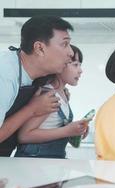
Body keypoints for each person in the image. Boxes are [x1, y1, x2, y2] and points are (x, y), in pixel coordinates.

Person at [0, 16, 74, 156]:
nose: (70, 52)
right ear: (39, 48)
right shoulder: (5, 74)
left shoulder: (38, 77)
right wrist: (32, 109)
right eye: (64, 44)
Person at [14, 45, 88, 159]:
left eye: (80, 65)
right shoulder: (48, 95)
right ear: (60, 65)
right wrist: (67, 131)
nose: (80, 71)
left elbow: (51, 127)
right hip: (34, 161)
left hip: (49, 161)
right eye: (75, 65)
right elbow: (24, 136)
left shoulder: (63, 93)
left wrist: (75, 129)